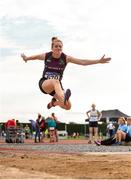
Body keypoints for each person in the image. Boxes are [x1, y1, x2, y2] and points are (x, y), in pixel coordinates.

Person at [21, 38, 111, 110]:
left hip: (57, 88)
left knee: (68, 106)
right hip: (45, 84)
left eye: (60, 46)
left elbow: (83, 62)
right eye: (56, 46)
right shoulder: (47, 56)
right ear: (52, 48)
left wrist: (98, 61)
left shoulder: (66, 58)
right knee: (56, 81)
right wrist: (26, 58)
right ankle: (63, 97)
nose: (58, 48)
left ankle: (53, 103)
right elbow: (35, 57)